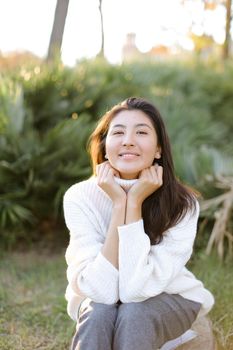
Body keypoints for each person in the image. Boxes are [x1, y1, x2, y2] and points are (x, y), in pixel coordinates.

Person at [63, 97, 214, 350]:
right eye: (118, 132)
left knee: (134, 315)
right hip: (100, 299)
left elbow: (134, 292)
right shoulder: (79, 197)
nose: (128, 140)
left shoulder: (183, 204)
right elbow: (100, 292)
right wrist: (119, 205)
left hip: (171, 296)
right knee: (99, 314)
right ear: (104, 146)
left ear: (158, 149)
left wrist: (133, 203)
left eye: (141, 132)